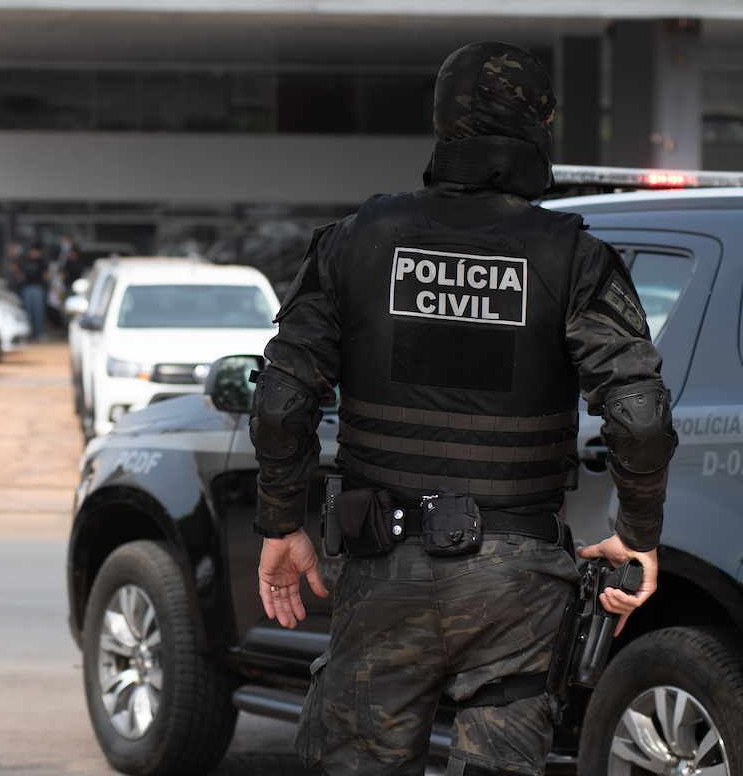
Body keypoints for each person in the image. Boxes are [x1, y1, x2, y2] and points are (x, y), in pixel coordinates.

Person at [251, 42, 677, 776]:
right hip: (517, 584)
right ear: (539, 126)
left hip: (382, 567)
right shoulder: (573, 257)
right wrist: (638, 532)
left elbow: (282, 401)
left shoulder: (357, 241)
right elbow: (639, 416)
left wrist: (281, 521)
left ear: (443, 123)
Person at [18, 243, 47, 340]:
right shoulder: (24, 261)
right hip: (27, 288)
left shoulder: (42, 262)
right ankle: (26, 333)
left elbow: (46, 275)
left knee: (39, 312)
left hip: (38, 288)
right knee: (27, 312)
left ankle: (38, 333)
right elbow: (20, 273)